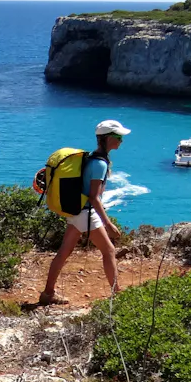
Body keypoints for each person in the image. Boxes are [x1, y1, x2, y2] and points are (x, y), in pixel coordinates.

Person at [39, 119, 130, 306]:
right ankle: (117, 294)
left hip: (75, 210)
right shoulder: (100, 164)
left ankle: (48, 293)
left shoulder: (91, 158)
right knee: (109, 250)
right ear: (108, 138)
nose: (121, 141)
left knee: (64, 252)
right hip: (85, 212)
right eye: (118, 137)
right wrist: (108, 224)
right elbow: (94, 197)